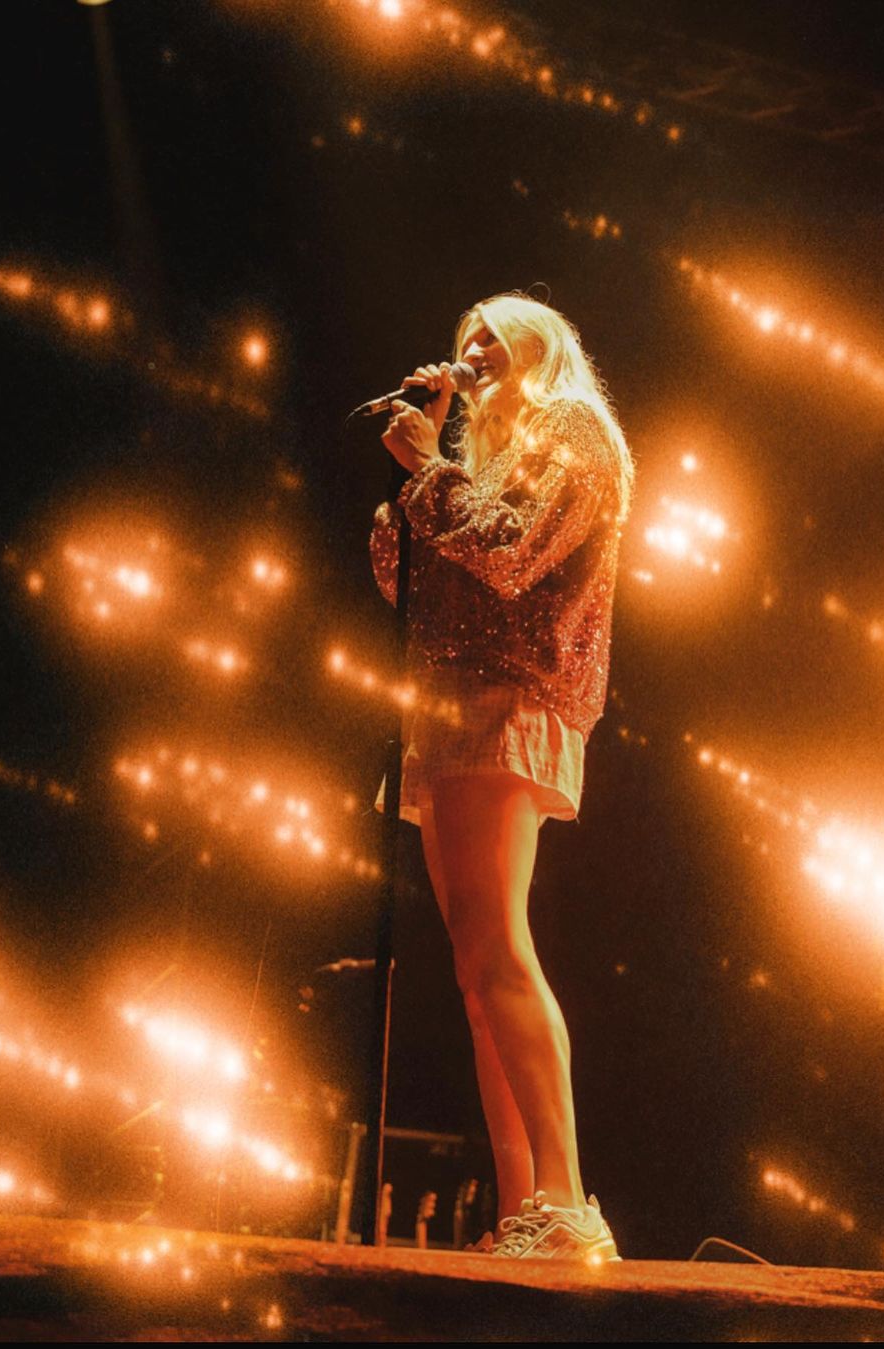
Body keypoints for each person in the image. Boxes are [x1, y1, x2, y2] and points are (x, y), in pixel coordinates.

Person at [369, 292, 634, 1261]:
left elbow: (510, 548)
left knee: (499, 947)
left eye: (492, 334)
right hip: (447, 702)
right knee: (475, 970)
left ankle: (567, 1201)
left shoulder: (574, 431)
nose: (472, 348)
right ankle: (527, 1208)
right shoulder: (478, 460)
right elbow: (401, 578)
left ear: (542, 346)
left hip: (508, 693)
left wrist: (429, 470)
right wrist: (423, 464)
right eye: (463, 337)